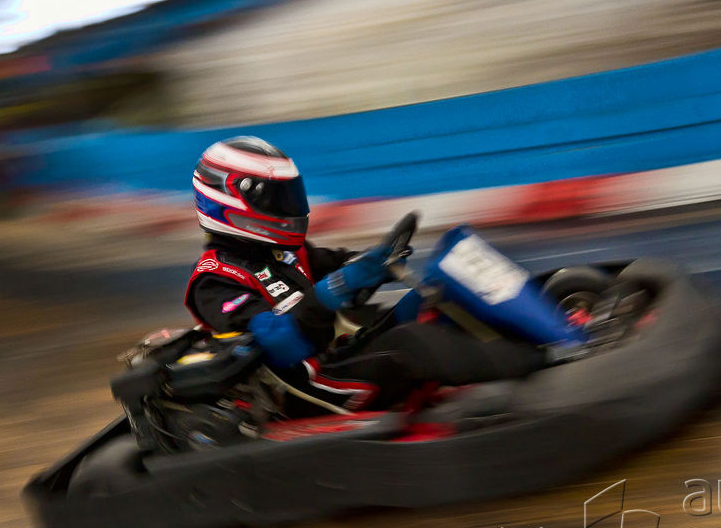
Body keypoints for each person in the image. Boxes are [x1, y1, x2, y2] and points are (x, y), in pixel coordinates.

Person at [185, 136, 547, 413]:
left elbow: (343, 264)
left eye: (289, 196)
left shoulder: (285, 252)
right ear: (229, 201)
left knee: (433, 297)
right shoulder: (214, 281)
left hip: (340, 356)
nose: (289, 207)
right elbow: (280, 343)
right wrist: (332, 291)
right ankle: (539, 371)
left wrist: (374, 263)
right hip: (308, 390)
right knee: (410, 343)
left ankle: (548, 325)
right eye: (276, 200)